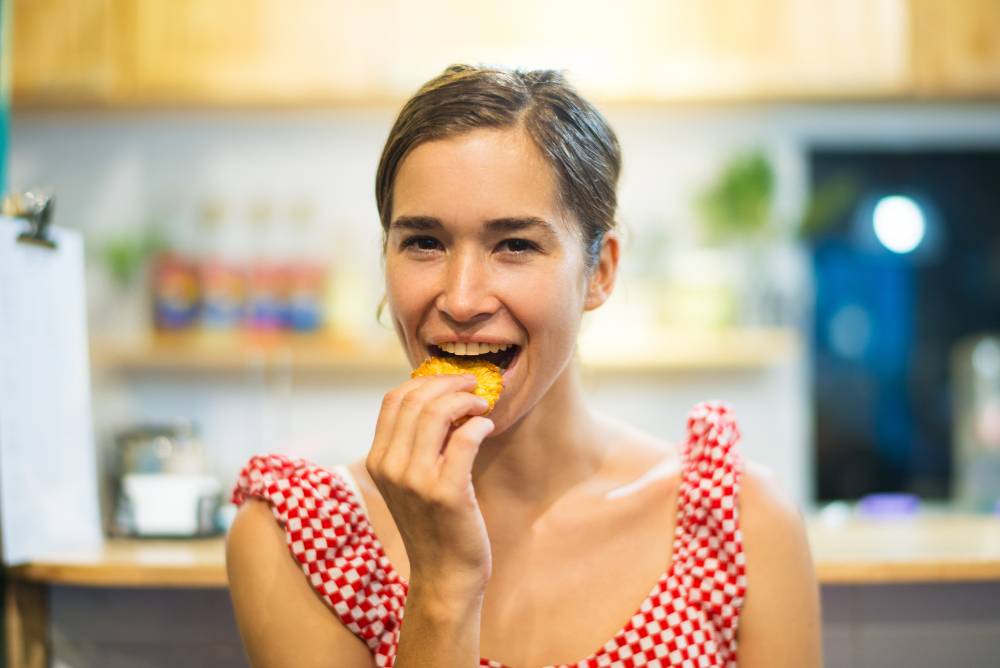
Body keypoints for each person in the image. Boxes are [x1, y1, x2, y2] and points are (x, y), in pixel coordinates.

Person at [225, 64, 822, 668]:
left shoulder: (739, 524)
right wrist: (443, 585)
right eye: (424, 242)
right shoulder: (302, 538)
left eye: (515, 245)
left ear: (601, 271)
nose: (461, 299)